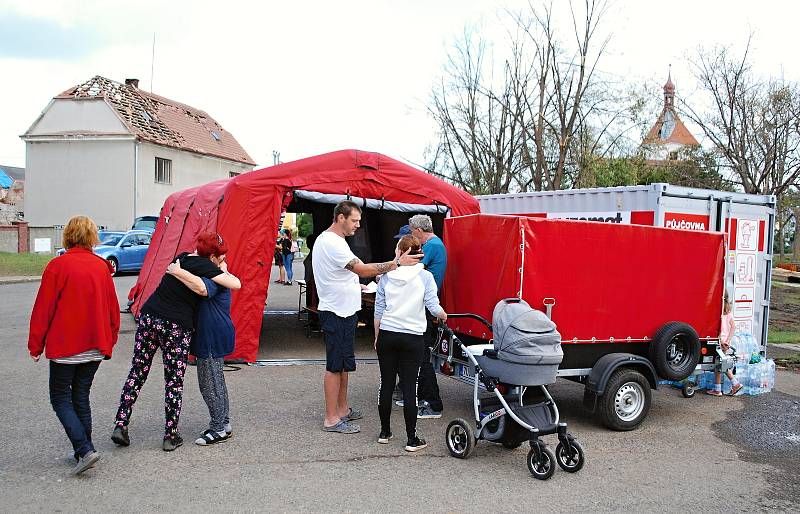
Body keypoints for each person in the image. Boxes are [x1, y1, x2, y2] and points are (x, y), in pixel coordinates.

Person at [111, 232, 241, 451]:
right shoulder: (208, 267)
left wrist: (178, 271)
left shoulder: (181, 258)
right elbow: (226, 285)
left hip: (149, 316)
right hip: (175, 326)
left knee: (137, 372)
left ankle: (121, 423)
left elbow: (186, 276)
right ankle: (170, 435)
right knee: (173, 381)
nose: (224, 260)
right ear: (212, 257)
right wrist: (222, 271)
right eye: (221, 256)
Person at [313, 200, 422, 434]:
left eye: (359, 221)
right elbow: (361, 269)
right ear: (340, 218)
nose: (358, 226)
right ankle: (331, 418)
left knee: (343, 365)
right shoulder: (332, 242)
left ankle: (342, 409)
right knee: (334, 366)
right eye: (354, 221)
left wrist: (357, 287)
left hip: (343, 309)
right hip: (336, 311)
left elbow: (344, 274)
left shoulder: (336, 241)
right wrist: (395, 264)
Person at [28, 215, 120, 475]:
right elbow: (112, 307)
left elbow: (43, 310)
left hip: (66, 346)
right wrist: (110, 338)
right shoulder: (102, 267)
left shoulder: (58, 266)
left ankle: (85, 448)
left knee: (60, 398)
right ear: (92, 237)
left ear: (67, 236)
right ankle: (83, 449)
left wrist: (36, 345)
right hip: (94, 345)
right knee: (80, 396)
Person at [374, 235, 447, 452]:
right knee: (409, 387)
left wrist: (377, 335)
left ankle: (385, 432)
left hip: (388, 333)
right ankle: (411, 438)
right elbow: (433, 306)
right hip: (413, 337)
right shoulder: (425, 277)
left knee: (386, 383)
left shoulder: (387, 276)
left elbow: (379, 308)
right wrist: (443, 315)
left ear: (400, 251)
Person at [166, 253, 239, 445]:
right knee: (217, 382)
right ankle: (223, 423)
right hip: (215, 333)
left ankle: (218, 429)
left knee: (209, 385)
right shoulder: (220, 274)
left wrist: (177, 271)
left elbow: (200, 288)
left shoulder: (214, 279)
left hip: (210, 335)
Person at [408, 214, 447, 419]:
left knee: (421, 357)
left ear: (419, 231)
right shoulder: (435, 244)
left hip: (424, 307)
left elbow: (410, 265)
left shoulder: (431, 246)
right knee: (417, 355)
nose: (411, 236)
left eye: (411, 232)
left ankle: (433, 404)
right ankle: (421, 398)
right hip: (424, 306)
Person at [708, 291, 743, 396]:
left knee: (720, 365)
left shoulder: (718, 313)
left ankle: (735, 384)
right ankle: (718, 389)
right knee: (719, 365)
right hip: (725, 342)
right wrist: (728, 340)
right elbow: (733, 327)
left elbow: (717, 329)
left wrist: (722, 341)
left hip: (719, 342)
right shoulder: (728, 312)